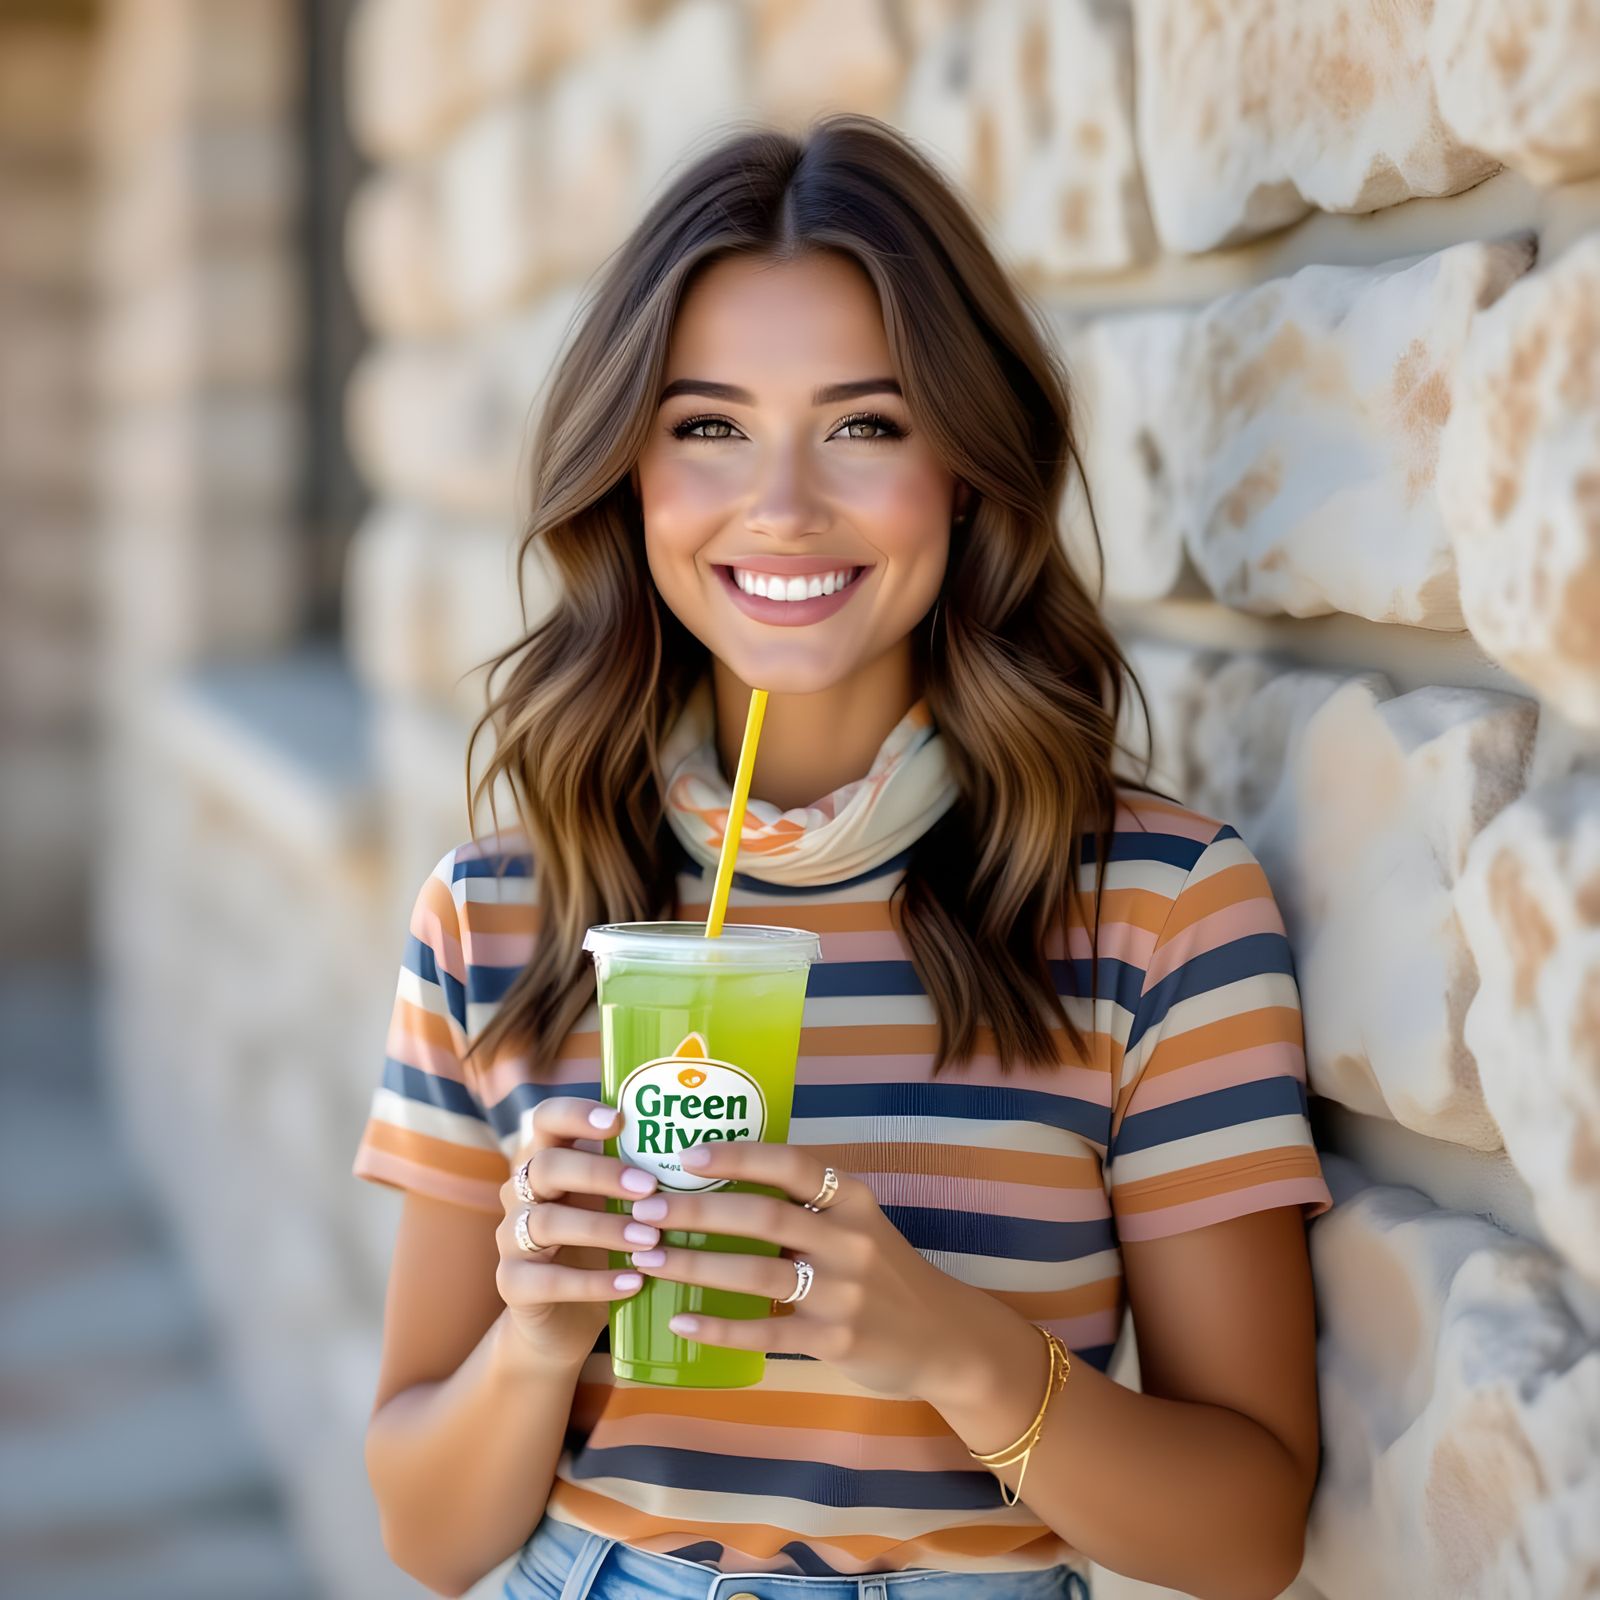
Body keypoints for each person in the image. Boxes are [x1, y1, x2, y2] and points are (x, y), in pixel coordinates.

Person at [353, 113, 1333, 1600]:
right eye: (709, 425)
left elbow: (1249, 1532)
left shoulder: (1156, 911)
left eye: (866, 425)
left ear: (968, 467)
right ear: (630, 471)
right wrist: (536, 1342)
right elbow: (428, 1537)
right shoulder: (500, 916)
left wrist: (950, 1346)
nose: (785, 504)